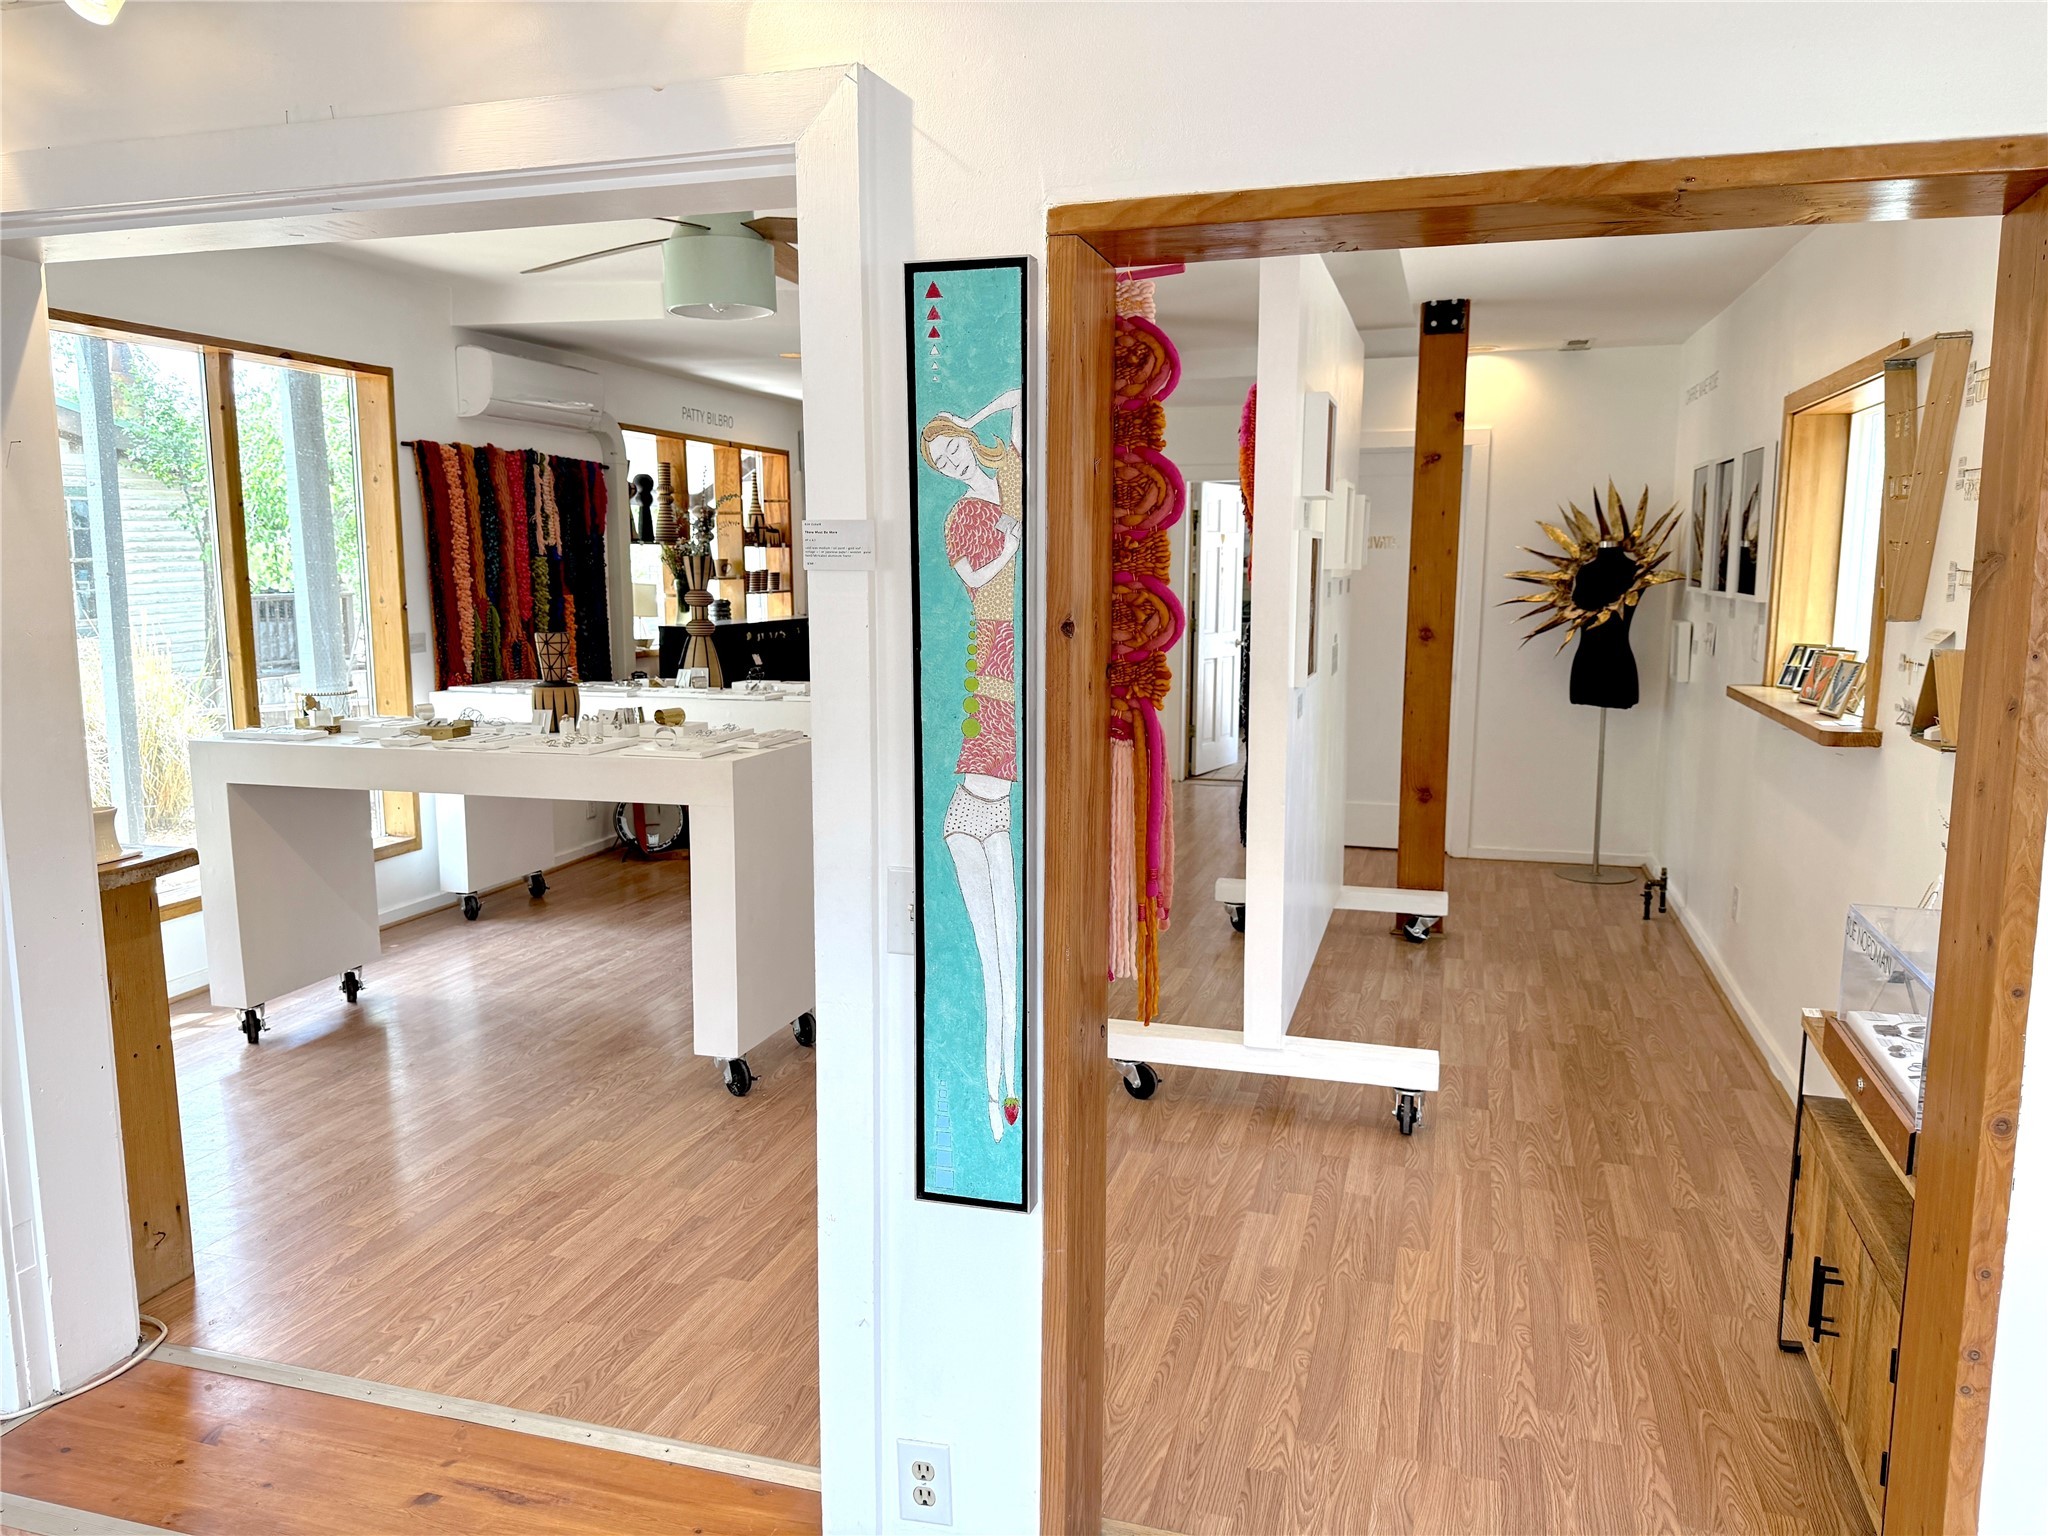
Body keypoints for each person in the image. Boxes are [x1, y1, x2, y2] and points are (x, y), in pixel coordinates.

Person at [921, 388, 1023, 1143]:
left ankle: (1001, 1088)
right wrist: (1012, 542)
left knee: (1003, 955)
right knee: (994, 955)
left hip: (1018, 645)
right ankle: (996, 1090)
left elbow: (1021, 400)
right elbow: (978, 580)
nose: (953, 463)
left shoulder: (1011, 470)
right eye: (942, 461)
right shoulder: (962, 517)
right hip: (993, 641)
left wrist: (979, 419)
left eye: (954, 449)